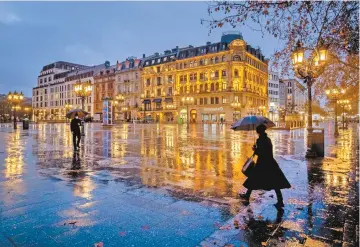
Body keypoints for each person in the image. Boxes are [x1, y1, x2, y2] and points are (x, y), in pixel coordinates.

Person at [240, 124, 291, 208]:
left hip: (262, 163)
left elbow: (261, 153)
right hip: (270, 162)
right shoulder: (268, 139)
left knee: (253, 179)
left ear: (258, 132)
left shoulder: (260, 140)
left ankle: (247, 196)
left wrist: (255, 150)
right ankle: (280, 201)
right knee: (275, 182)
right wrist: (257, 149)